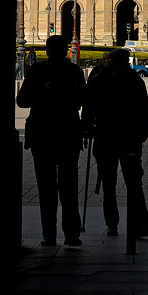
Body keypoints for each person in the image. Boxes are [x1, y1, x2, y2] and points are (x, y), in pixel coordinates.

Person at [16, 34, 87, 248]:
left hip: (44, 134)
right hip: (65, 133)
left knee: (47, 188)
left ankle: (50, 234)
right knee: (68, 187)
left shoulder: (38, 70)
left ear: (46, 50)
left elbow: (21, 101)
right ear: (66, 50)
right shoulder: (73, 71)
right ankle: (71, 234)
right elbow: (85, 100)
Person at [83, 48, 148, 243]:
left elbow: (88, 107)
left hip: (109, 137)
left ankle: (114, 223)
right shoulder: (134, 81)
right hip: (126, 138)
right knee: (129, 183)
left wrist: (87, 127)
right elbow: (143, 109)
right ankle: (137, 224)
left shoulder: (100, 80)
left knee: (112, 184)